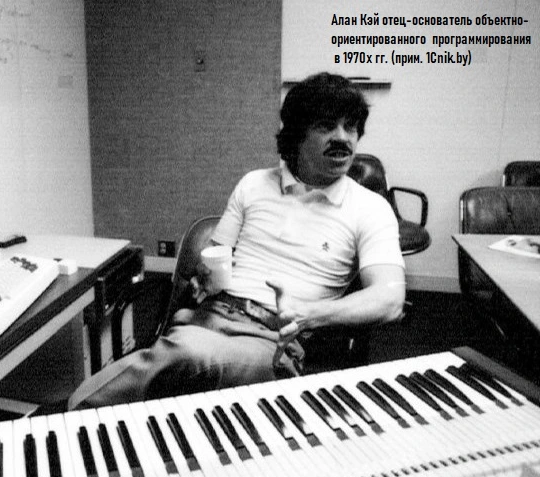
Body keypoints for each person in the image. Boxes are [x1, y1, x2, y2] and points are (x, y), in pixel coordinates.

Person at [68, 72, 405, 410]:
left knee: (187, 354)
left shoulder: (370, 208)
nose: (342, 138)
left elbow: (389, 299)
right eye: (327, 126)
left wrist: (310, 314)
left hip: (271, 339)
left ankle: (70, 413)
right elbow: (217, 253)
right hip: (211, 316)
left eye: (350, 127)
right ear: (297, 134)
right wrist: (205, 273)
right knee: (177, 377)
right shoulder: (254, 184)